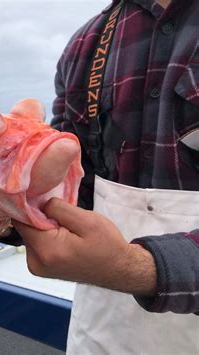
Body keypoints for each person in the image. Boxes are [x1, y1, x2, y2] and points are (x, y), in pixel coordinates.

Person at [14, 0, 199, 353]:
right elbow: (70, 194)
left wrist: (130, 267)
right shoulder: (86, 45)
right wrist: (3, 204)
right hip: (102, 338)